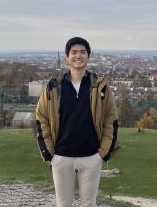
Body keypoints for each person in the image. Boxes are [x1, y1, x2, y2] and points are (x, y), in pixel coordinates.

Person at [35, 37, 119, 207]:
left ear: (88, 56)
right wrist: (49, 153)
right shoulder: (53, 87)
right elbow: (40, 118)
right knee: (63, 204)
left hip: (91, 157)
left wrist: (103, 153)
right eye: (74, 52)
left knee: (88, 204)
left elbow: (111, 118)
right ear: (67, 57)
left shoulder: (100, 86)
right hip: (61, 157)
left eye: (82, 52)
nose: (78, 56)